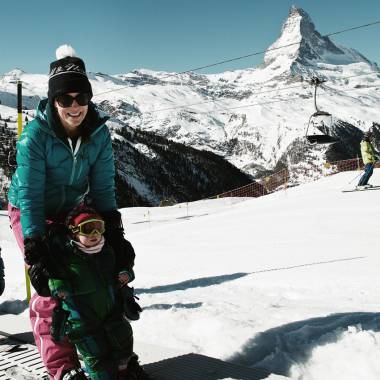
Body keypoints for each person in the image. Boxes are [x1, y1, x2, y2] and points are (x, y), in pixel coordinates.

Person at [7, 45, 147, 380]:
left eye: (81, 97)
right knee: (53, 284)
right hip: (30, 208)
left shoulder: (98, 134)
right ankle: (63, 369)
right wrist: (36, 246)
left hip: (73, 207)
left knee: (101, 273)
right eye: (65, 99)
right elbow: (29, 195)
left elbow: (102, 188)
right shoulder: (36, 137)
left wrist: (115, 232)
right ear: (53, 100)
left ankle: (116, 357)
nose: (75, 106)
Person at [46, 204, 143, 380]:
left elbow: (120, 268)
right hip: (83, 321)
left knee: (123, 340)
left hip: (111, 313)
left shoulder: (107, 251)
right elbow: (55, 275)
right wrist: (59, 287)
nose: (94, 234)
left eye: (99, 228)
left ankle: (124, 372)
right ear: (74, 231)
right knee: (96, 356)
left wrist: (125, 274)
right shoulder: (67, 256)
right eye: (87, 229)